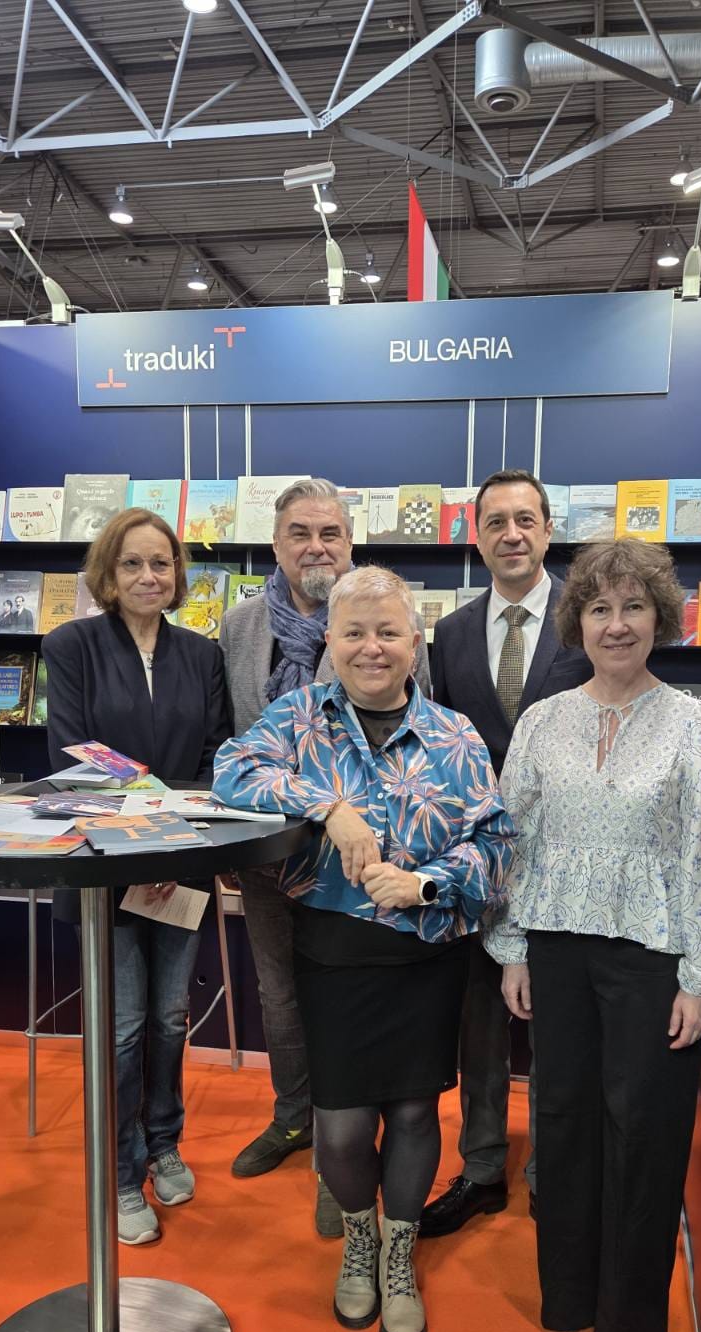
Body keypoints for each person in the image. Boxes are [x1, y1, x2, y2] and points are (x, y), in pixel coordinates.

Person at [213, 566, 512, 1332]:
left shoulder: (455, 735)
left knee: (414, 1112)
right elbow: (231, 772)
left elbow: (496, 842)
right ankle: (359, 1234)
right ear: (331, 641)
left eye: (387, 632)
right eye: (354, 632)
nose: (371, 648)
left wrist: (425, 883)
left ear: (415, 642)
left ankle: (398, 1252)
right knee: (341, 1127)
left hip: (426, 952)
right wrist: (329, 807)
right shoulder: (299, 718)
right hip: (333, 950)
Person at [486, 539, 701, 1332]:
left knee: (646, 1132)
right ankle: (566, 1296)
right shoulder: (542, 720)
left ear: (659, 618)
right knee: (562, 1121)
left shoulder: (693, 726)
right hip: (556, 947)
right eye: (600, 608)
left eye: (634, 607)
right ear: (579, 623)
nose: (617, 624)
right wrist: (512, 948)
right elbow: (513, 838)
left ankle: (628, 1326)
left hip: (652, 958)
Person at [219, 478, 431, 1236]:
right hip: (272, 858)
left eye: (331, 533)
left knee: (354, 1003)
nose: (316, 547)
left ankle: (340, 1164)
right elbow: (233, 742)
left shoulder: (388, 622)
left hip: (362, 870)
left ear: (350, 542)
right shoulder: (240, 626)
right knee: (280, 998)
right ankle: (294, 1119)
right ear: (276, 544)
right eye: (300, 533)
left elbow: (416, 734)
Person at [43, 507, 232, 1247]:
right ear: (108, 574)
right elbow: (76, 758)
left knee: (169, 1018)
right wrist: (144, 845)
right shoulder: (72, 646)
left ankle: (164, 1143)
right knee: (121, 1028)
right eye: (133, 564)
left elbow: (216, 755)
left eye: (161, 563)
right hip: (107, 866)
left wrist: (171, 848)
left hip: (181, 863)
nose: (149, 576)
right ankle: (121, 1174)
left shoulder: (202, 655)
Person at [421, 468, 591, 1240]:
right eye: (496, 522)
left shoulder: (587, 619)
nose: (512, 534)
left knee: (559, 1023)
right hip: (478, 864)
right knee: (480, 1023)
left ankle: (554, 1171)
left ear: (548, 530)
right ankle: (482, 1167)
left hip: (567, 860)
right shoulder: (452, 633)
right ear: (477, 536)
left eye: (526, 520)